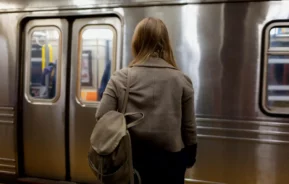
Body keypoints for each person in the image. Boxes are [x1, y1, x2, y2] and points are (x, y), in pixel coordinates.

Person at [95, 17, 197, 184]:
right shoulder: (182, 79)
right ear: (165, 43)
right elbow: (189, 127)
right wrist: (190, 156)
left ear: (137, 42)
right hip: (171, 163)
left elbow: (102, 116)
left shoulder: (120, 78)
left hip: (131, 160)